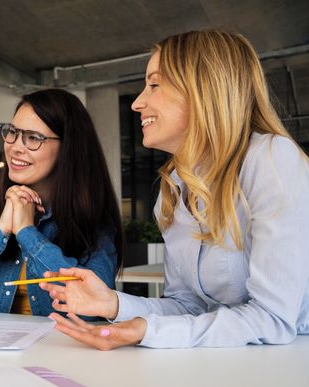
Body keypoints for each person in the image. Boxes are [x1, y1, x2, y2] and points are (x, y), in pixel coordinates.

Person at [41, 30, 309, 349]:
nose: (137, 103)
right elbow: (189, 307)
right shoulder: (174, 189)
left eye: (154, 85)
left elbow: (273, 319)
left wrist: (147, 330)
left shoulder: (271, 158)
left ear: (204, 89)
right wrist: (112, 304)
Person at [0, 89, 123, 316]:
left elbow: (95, 305)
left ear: (68, 148)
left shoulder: (94, 213)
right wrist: (1, 229)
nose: (15, 147)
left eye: (33, 138)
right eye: (13, 132)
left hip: (62, 338)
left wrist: (27, 233)